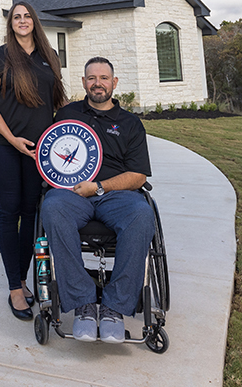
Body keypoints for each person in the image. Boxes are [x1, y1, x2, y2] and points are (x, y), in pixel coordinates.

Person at [40, 56, 155, 344]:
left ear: (114, 82)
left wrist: (99, 187)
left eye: (104, 78)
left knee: (142, 215)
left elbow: (138, 176)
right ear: (83, 82)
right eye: (92, 78)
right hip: (72, 193)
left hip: (115, 194)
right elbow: (49, 153)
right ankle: (84, 303)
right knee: (52, 207)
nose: (97, 83)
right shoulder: (67, 115)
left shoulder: (130, 123)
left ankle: (115, 307)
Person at [0, 1, 66, 321]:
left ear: (34, 21)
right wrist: (12, 138)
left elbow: (57, 100)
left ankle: (23, 279)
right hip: (3, 147)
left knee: (32, 213)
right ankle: (15, 288)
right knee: (10, 212)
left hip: (39, 150)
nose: (22, 20)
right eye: (16, 17)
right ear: (11, 24)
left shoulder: (49, 56)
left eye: (27, 16)